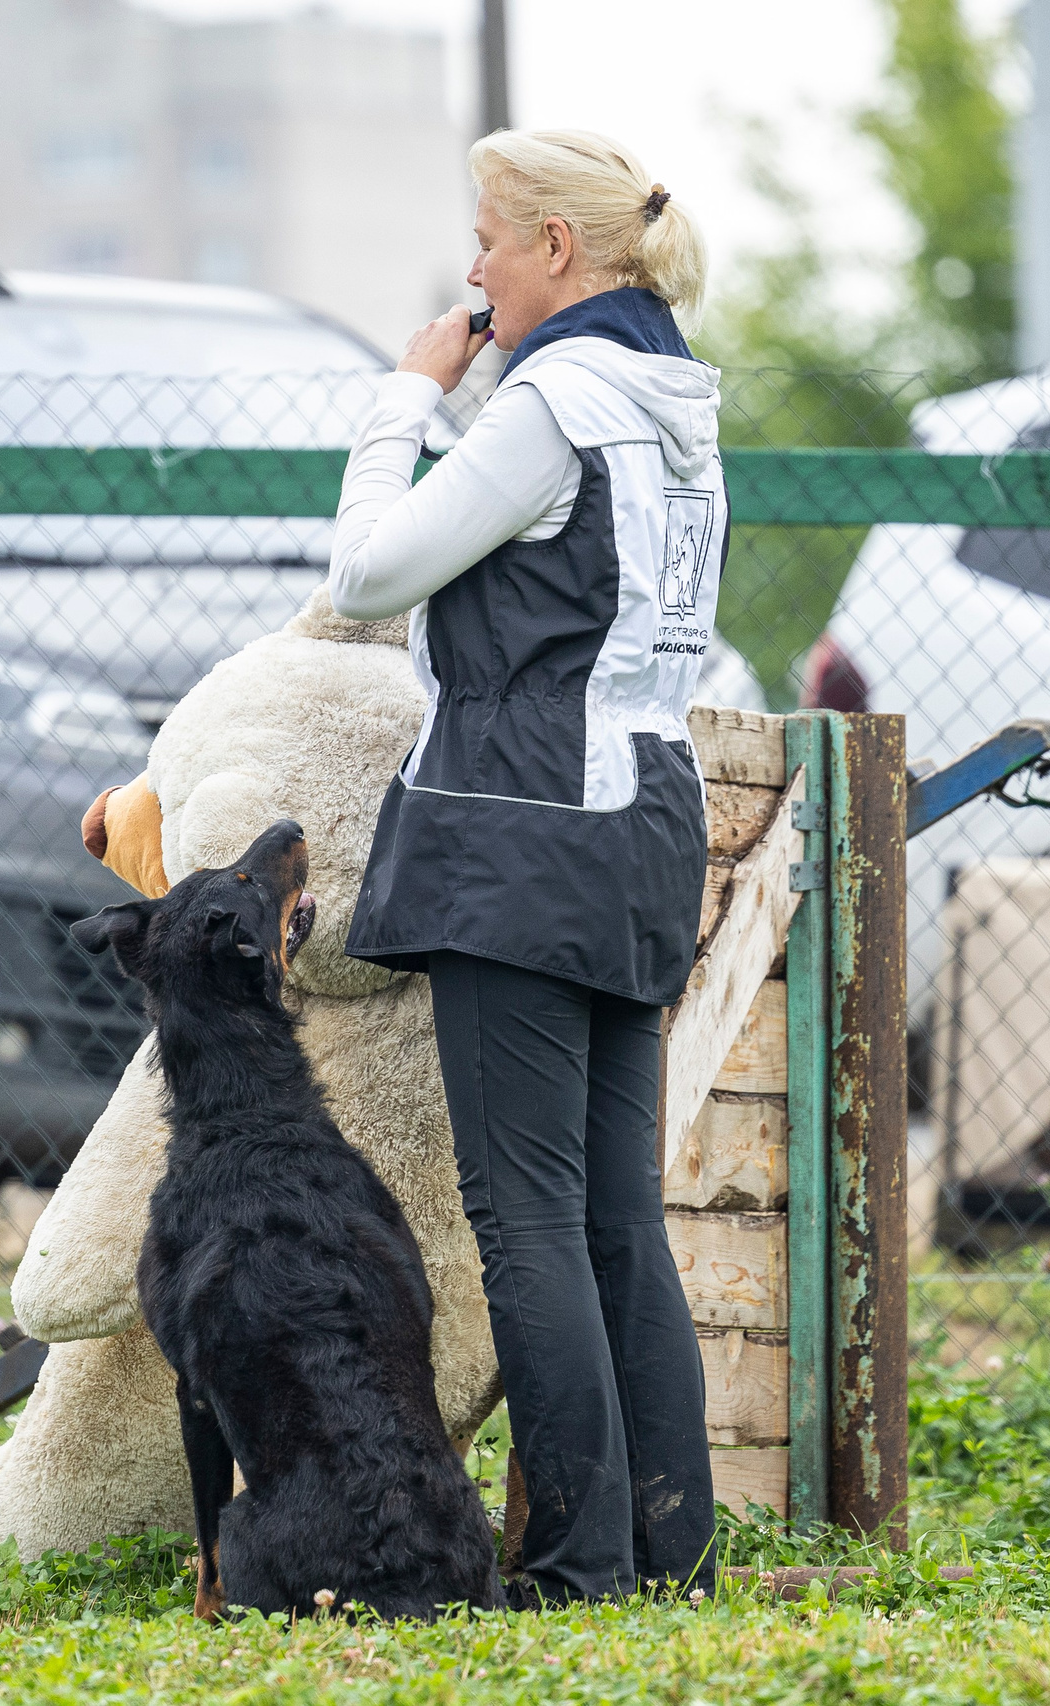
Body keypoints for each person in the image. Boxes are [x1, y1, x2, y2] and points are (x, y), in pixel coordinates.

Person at [324, 129, 724, 1605]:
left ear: (558, 248)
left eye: (488, 237)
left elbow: (368, 573)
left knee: (531, 1218)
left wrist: (401, 400)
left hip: (518, 829)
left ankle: (571, 1568)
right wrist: (474, 397)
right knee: (618, 1213)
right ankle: (666, 1548)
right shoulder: (674, 397)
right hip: (638, 824)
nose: (473, 267)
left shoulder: (555, 396)